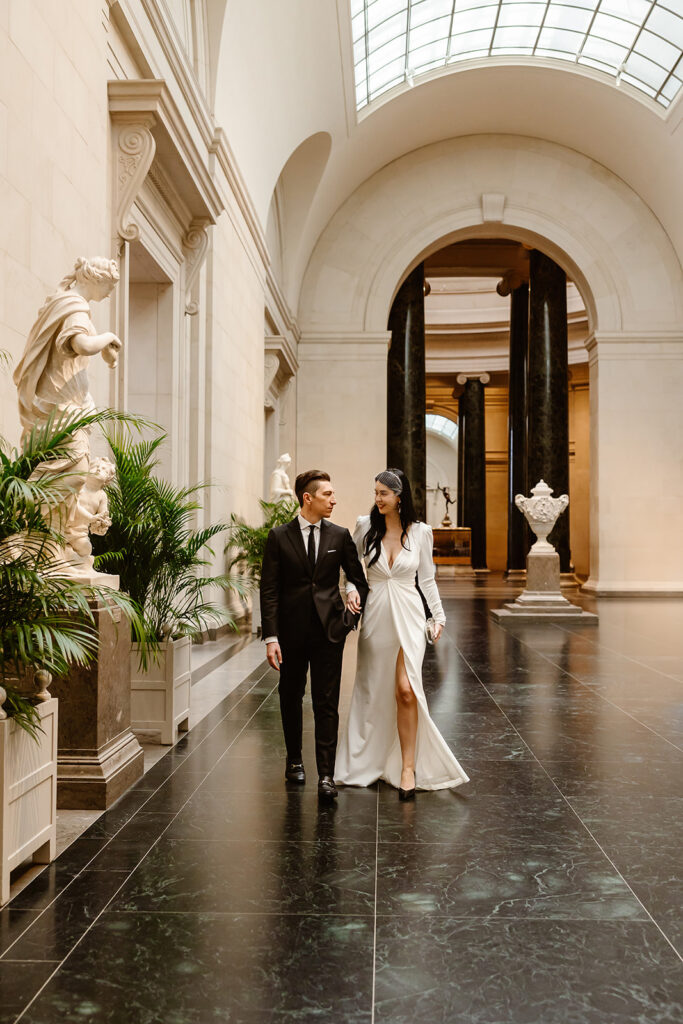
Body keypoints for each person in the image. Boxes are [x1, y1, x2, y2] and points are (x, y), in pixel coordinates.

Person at [335, 468, 469, 798]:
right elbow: (350, 570)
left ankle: (408, 766)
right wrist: (351, 589)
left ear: (399, 496)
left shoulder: (422, 532)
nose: (377, 498)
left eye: (383, 493)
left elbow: (426, 579)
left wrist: (438, 617)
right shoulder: (365, 526)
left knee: (405, 689)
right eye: (376, 492)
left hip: (409, 615)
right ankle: (373, 759)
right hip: (377, 614)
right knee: (373, 690)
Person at [260, 470, 369, 801]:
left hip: (328, 633)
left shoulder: (339, 535)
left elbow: (358, 578)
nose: (334, 500)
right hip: (290, 634)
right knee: (290, 697)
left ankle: (326, 775)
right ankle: (294, 761)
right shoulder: (279, 537)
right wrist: (271, 637)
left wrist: (350, 600)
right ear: (307, 498)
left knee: (327, 702)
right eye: (327, 495)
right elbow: (269, 590)